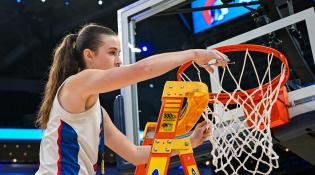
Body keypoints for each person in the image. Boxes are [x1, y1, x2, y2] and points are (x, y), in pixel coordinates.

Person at [35, 23, 228, 174]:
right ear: (89, 55)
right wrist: (193, 54)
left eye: (119, 53)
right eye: (112, 53)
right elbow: (144, 69)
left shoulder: (98, 112)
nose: (119, 60)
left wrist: (189, 142)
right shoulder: (77, 83)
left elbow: (135, 155)